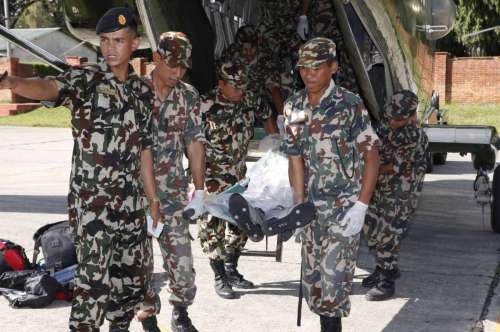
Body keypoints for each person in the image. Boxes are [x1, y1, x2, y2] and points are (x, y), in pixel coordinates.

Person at [0, 7, 161, 331]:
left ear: (135, 43)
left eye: (118, 40)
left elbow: (144, 147)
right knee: (92, 287)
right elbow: (47, 87)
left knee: (129, 284)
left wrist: (153, 199)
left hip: (131, 206)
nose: (109, 47)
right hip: (92, 207)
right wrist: (13, 80)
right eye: (104, 40)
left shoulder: (143, 92)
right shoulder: (85, 80)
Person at [282, 37, 380, 331]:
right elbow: (295, 157)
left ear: (333, 67)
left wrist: (361, 205)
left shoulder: (349, 105)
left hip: (343, 210)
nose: (309, 74)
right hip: (311, 211)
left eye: (316, 67)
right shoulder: (294, 106)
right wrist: (298, 206)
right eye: (303, 68)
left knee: (333, 287)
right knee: (313, 286)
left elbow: (372, 155)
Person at [141, 31, 206, 332]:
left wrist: (201, 188)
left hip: (173, 193)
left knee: (181, 263)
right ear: (156, 58)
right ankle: (147, 314)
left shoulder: (188, 95)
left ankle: (180, 311)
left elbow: (194, 143)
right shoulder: (134, 92)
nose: (177, 73)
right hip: (134, 194)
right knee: (139, 263)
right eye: (172, 65)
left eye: (183, 67)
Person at [198, 61, 278, 299]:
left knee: (240, 225)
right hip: (212, 176)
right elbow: (189, 141)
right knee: (211, 228)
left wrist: (274, 141)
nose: (240, 91)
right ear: (221, 83)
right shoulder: (205, 105)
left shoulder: (248, 98)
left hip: (240, 175)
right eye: (235, 86)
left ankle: (232, 269)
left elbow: (267, 115)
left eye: (243, 86)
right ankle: (219, 276)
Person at [362, 90, 429, 301]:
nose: (392, 121)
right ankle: (383, 268)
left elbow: (392, 166)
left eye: (397, 119)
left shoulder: (415, 137)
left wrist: (367, 172)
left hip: (401, 196)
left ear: (410, 116)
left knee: (387, 236)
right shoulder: (388, 124)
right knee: (371, 230)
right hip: (381, 190)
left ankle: (387, 283)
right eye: (390, 116)